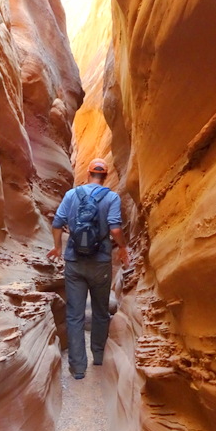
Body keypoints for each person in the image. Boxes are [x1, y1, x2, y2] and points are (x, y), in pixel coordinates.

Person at [47, 158, 129, 379]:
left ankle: (78, 367)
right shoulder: (111, 197)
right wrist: (122, 248)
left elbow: (57, 223)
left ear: (87, 174)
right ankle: (99, 356)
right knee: (101, 312)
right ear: (105, 175)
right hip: (101, 262)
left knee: (75, 315)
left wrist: (57, 248)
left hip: (74, 261)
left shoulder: (72, 195)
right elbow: (115, 228)